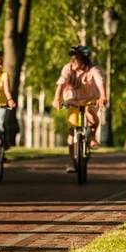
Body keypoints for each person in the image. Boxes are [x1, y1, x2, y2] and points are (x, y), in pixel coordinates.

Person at [52, 45, 108, 173]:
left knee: (90, 113)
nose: (72, 62)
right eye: (72, 59)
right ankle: (72, 163)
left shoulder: (93, 69)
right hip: (73, 100)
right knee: (72, 130)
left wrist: (103, 97)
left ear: (84, 60)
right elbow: (60, 84)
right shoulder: (68, 69)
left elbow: (100, 83)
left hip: (91, 98)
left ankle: (92, 137)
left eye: (75, 59)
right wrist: (56, 99)